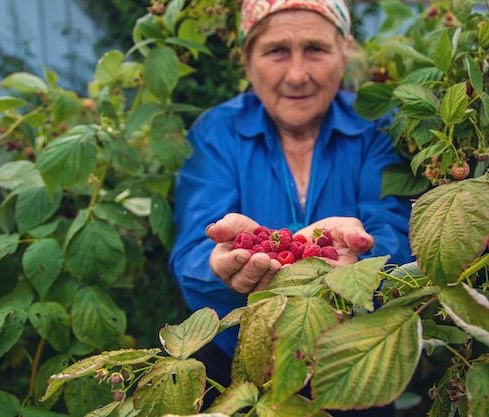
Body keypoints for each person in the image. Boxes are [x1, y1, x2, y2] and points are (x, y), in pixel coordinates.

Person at [168, 0, 414, 415]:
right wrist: (219, 265)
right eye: (276, 51)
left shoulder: (379, 128)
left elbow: (400, 235)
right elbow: (192, 252)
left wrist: (362, 259)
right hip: (241, 373)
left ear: (345, 52)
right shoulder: (216, 133)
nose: (298, 74)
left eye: (316, 49)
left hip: (354, 369)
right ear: (247, 61)